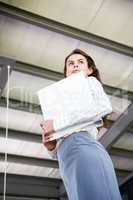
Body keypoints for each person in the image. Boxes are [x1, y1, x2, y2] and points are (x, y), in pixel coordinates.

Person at [40, 49, 122, 200]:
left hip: (84, 148)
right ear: (66, 72)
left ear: (90, 70)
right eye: (70, 63)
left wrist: (56, 124)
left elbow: (103, 108)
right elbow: (61, 137)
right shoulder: (56, 99)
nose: (75, 66)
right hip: (65, 159)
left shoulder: (89, 82)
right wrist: (52, 148)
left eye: (80, 62)